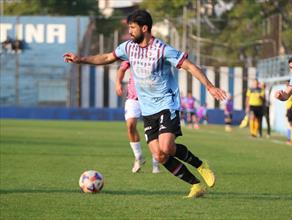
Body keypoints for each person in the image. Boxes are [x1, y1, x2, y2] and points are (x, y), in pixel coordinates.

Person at [63, 9, 227, 198]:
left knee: (166, 147)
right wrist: (80, 59)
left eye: (132, 28)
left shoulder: (162, 49)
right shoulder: (128, 47)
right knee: (160, 155)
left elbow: (189, 66)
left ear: (145, 28)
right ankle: (196, 185)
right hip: (147, 108)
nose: (130, 31)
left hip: (167, 103)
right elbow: (108, 57)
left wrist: (210, 87)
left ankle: (200, 165)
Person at [116, 60, 160, 174]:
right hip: (133, 98)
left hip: (151, 99)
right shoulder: (132, 53)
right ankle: (139, 157)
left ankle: (156, 162)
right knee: (130, 126)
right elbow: (121, 69)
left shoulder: (155, 54)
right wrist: (118, 83)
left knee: (153, 131)